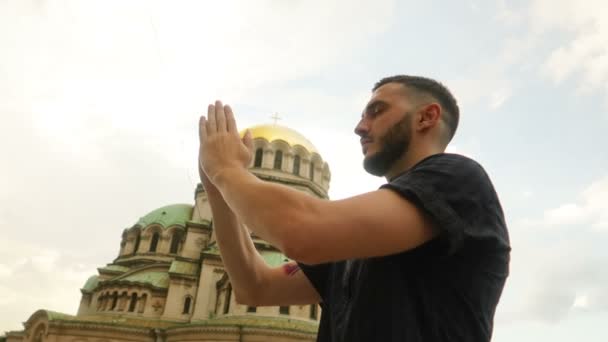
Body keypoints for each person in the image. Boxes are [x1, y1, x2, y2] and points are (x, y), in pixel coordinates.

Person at [197, 75, 510, 342]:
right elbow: (256, 287)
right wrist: (215, 184)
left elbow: (301, 232)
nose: (360, 127)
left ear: (426, 117)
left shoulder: (457, 180)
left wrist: (227, 170)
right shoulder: (358, 242)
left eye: (376, 111)